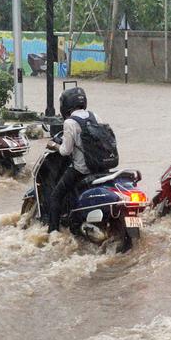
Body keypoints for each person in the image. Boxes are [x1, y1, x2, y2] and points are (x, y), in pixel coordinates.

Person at [43, 86, 97, 233]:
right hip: (98, 167)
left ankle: (52, 233)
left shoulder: (70, 123)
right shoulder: (94, 116)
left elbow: (65, 151)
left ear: (65, 105)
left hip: (81, 169)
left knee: (55, 196)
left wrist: (53, 144)